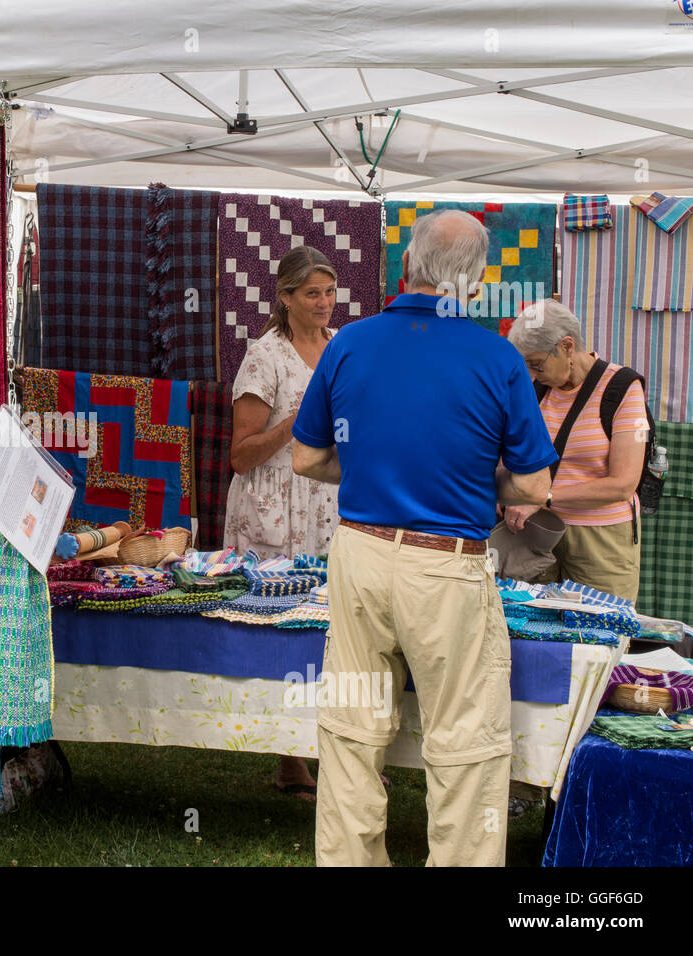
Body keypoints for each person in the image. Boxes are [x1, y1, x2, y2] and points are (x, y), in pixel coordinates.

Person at [291, 209, 556, 866]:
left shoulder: (348, 343)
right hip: (445, 565)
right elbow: (535, 489)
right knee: (465, 741)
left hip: (358, 554)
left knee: (352, 731)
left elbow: (306, 457)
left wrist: (381, 465)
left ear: (406, 263)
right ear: (475, 281)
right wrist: (470, 475)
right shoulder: (496, 356)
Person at [225, 246, 339, 802]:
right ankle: (290, 764)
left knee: (333, 629)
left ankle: (336, 753)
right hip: (273, 507)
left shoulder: (341, 347)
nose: (323, 303)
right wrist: (295, 423)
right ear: (286, 298)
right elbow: (241, 455)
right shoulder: (263, 357)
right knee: (281, 628)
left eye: (328, 291)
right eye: (311, 293)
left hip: (328, 504)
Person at [504, 300, 647, 602]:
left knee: (601, 632)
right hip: (537, 533)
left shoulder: (621, 388)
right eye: (525, 365)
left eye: (537, 363)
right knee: (533, 629)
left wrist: (540, 497)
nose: (531, 374)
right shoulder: (535, 390)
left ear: (567, 347)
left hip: (600, 539)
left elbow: (623, 484)